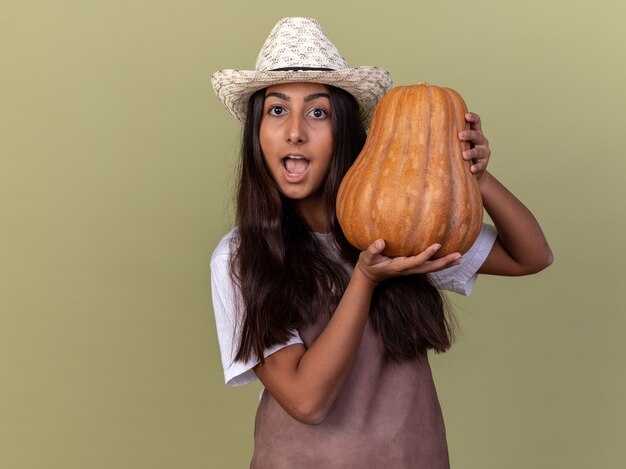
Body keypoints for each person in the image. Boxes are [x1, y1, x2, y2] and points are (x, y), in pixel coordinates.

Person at [210, 17, 552, 469]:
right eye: (276, 110)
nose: (295, 131)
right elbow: (306, 401)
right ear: (257, 132)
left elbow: (531, 256)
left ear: (345, 131)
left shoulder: (401, 222)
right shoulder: (239, 257)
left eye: (317, 112)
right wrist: (365, 279)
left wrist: (476, 176)